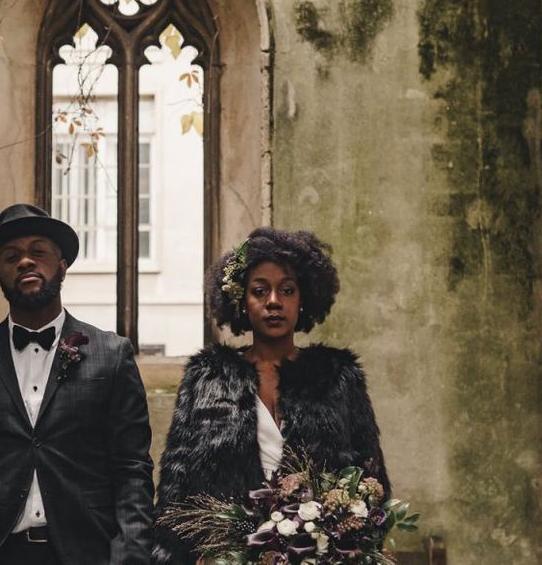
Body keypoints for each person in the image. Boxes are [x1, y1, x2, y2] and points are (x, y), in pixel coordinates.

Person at [0, 203, 154, 565]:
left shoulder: (111, 354)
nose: (25, 261)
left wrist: (129, 555)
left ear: (62, 265)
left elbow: (132, 469)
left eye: (38, 252)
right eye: (11, 256)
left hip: (86, 552)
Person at [151, 227, 390, 565]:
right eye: (260, 291)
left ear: (303, 298)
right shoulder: (207, 378)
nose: (274, 301)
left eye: (287, 290)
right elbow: (176, 492)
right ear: (241, 302)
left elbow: (372, 480)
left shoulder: (337, 378)